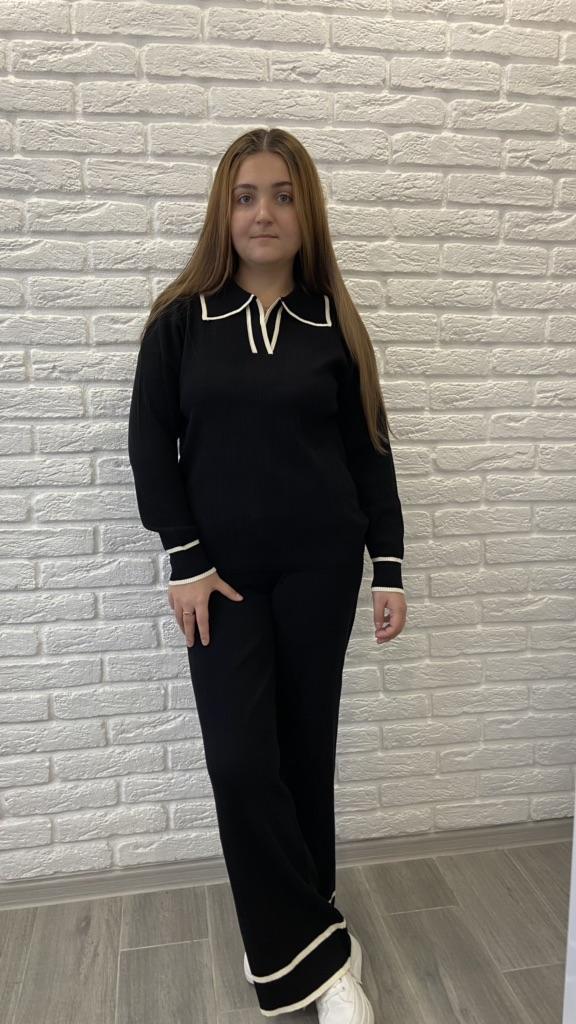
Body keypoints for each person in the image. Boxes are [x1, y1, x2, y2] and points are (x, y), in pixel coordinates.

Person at [128, 127, 407, 1023]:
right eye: (246, 195)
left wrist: (388, 565)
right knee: (242, 762)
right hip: (221, 581)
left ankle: (316, 944)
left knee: (301, 754)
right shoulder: (180, 323)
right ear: (224, 210)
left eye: (283, 196)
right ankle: (324, 955)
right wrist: (185, 559)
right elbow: (151, 447)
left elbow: (370, 452)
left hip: (320, 572)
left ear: (306, 211)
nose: (263, 213)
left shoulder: (335, 327)